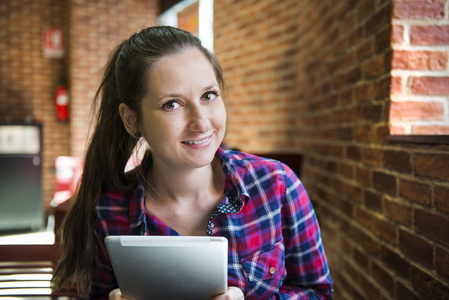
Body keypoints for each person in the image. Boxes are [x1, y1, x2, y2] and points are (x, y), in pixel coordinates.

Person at [52, 26, 333, 299]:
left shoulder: (277, 185)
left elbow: (318, 292)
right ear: (131, 119)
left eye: (208, 96)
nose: (201, 123)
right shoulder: (108, 211)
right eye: (172, 104)